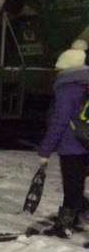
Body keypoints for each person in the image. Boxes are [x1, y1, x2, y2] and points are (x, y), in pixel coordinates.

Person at [36, 36, 89, 237]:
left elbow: (58, 122)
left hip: (72, 145)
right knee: (77, 184)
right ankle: (77, 218)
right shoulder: (86, 84)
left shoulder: (67, 88)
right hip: (86, 142)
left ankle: (65, 224)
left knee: (71, 186)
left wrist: (45, 151)